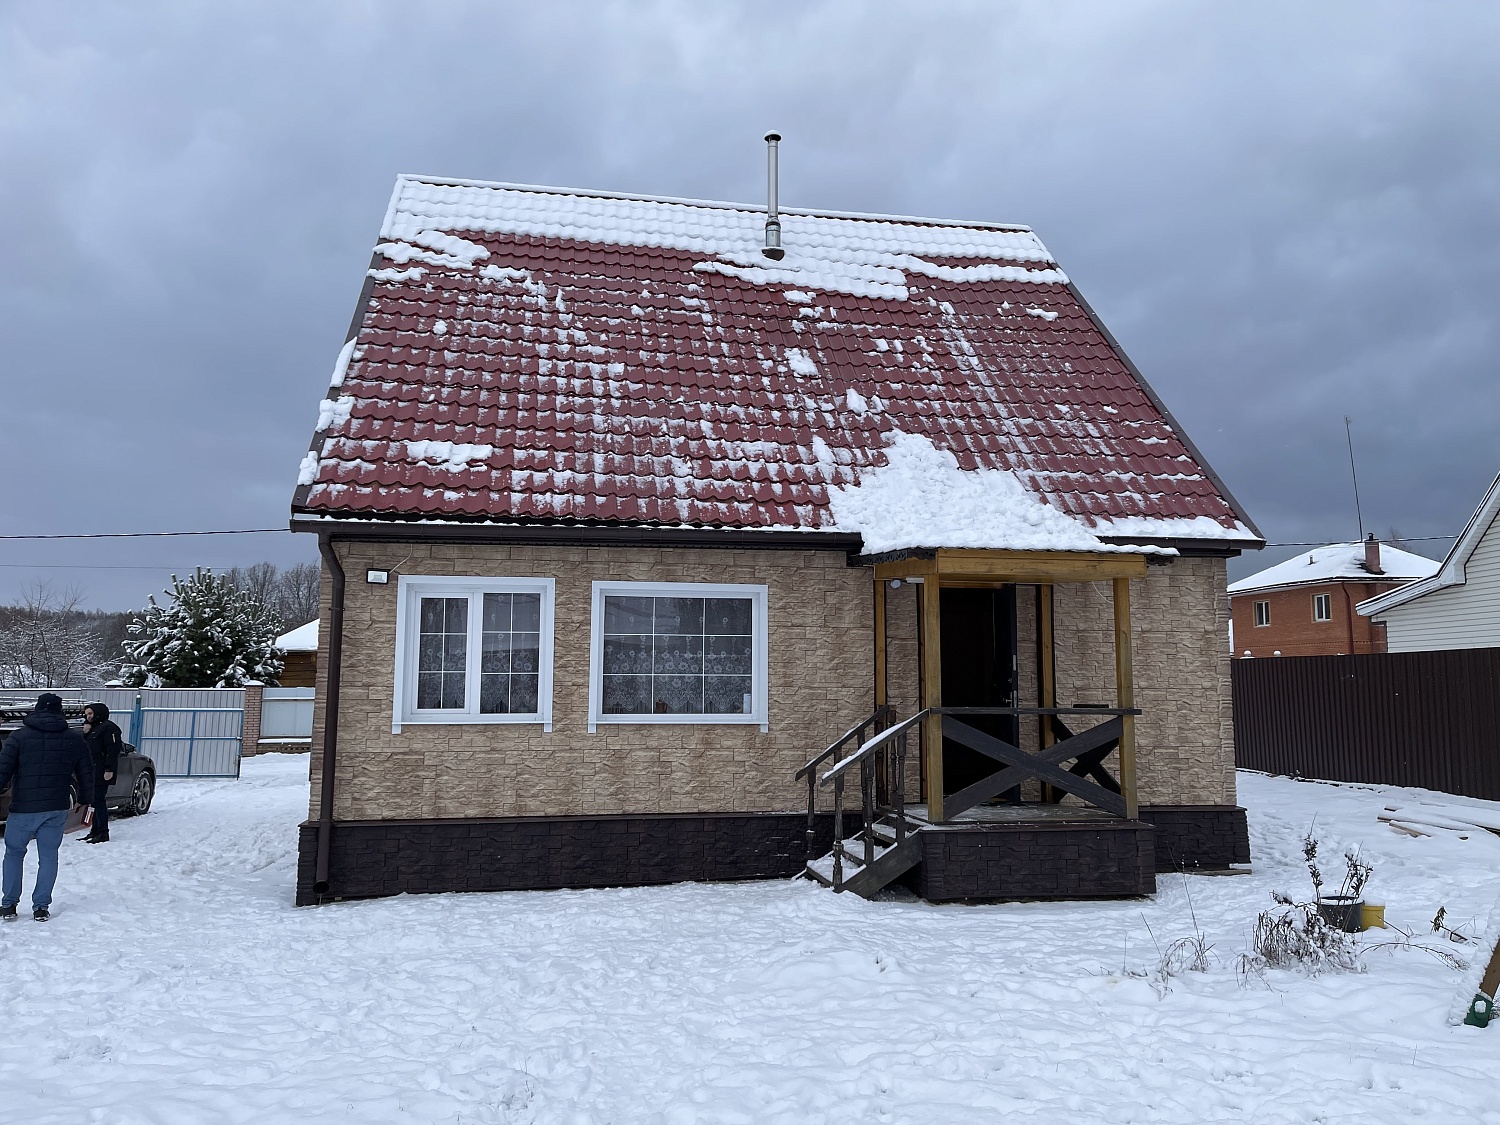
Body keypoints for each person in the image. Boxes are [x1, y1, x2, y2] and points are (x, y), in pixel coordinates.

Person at [0, 693, 94, 921]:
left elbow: (3, 770)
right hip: (56, 807)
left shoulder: (19, 737)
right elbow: (86, 771)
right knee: (49, 856)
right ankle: (41, 906)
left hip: (23, 808)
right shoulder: (73, 739)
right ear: (59, 712)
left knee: (14, 853)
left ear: (37, 709)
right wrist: (85, 798)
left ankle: (9, 905)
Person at [81, 703, 123, 844]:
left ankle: (103, 832)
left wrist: (109, 769)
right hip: (92, 770)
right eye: (87, 714)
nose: (88, 717)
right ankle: (95, 830)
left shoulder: (109, 728)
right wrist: (85, 733)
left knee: (99, 800)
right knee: (93, 801)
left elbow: (113, 750)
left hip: (102, 770)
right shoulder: (92, 728)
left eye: (91, 714)